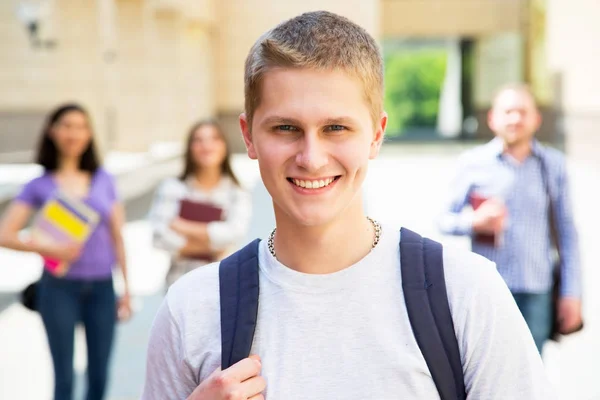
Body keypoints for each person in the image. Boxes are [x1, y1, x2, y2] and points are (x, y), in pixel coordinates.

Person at [141, 12, 553, 399]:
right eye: (286, 128)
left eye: (336, 128)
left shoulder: (467, 294)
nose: (311, 157)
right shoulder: (191, 311)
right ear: (248, 136)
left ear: (376, 135)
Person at [0, 103, 132, 400]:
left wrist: (126, 288)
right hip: (58, 288)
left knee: (98, 376)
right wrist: (50, 248)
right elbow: (4, 235)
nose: (74, 133)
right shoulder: (38, 185)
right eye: (67, 125)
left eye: (81, 126)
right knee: (64, 379)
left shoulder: (104, 180)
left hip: (102, 288)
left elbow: (118, 236)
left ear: (89, 134)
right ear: (52, 131)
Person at [438, 84, 583, 353]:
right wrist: (474, 221)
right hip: (487, 289)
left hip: (536, 291)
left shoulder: (553, 165)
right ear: (493, 118)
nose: (515, 118)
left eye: (522, 112)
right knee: (483, 375)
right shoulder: (473, 163)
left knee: (531, 376)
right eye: (508, 112)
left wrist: (572, 293)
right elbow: (443, 219)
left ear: (536, 119)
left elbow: (567, 233)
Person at [148, 120, 251, 288]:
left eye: (214, 139)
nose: (206, 146)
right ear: (189, 148)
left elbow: (235, 233)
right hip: (179, 282)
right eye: (198, 140)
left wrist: (184, 227)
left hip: (222, 284)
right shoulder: (172, 188)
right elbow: (159, 236)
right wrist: (212, 245)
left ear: (224, 146)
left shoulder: (236, 193)